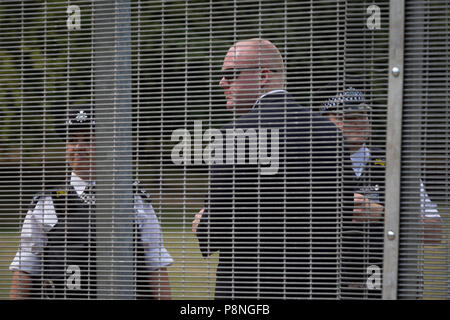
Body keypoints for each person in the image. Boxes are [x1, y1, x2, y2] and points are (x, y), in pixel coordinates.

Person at [193, 39, 343, 299]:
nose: (222, 83)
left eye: (230, 74)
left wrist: (202, 225)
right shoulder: (329, 131)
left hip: (254, 286)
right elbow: (342, 207)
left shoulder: (236, 133)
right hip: (319, 283)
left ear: (262, 76)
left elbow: (218, 221)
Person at [9, 108, 173, 299]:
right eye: (72, 140)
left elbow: (155, 262)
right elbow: (26, 265)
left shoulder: (133, 199)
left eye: (88, 140)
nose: (79, 147)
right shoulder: (47, 203)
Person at [320, 86, 442, 298]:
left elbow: (434, 232)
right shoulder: (309, 166)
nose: (358, 122)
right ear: (324, 121)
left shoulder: (396, 165)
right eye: (347, 117)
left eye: (363, 115)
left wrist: (385, 216)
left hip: (388, 287)